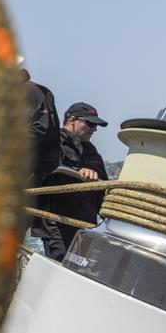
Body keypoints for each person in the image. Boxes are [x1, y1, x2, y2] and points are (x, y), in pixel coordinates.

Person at [38, 102, 109, 260]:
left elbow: (104, 191)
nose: (94, 129)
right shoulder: (52, 142)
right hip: (57, 225)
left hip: (85, 225)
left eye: (95, 126)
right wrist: (78, 172)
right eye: (90, 124)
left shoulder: (92, 152)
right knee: (62, 262)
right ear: (72, 120)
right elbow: (43, 168)